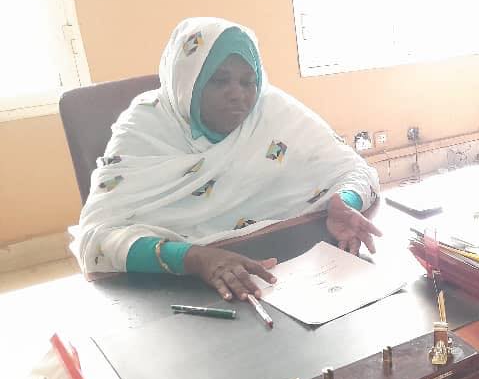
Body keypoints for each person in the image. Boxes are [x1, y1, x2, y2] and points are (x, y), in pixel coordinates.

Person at [71, 17, 382, 302]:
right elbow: (97, 240)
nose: (238, 94)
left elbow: (356, 170)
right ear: (187, 81)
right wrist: (195, 258)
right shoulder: (145, 126)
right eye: (219, 81)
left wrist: (346, 202)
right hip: (175, 295)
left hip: (283, 277)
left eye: (248, 82)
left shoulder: (270, 111)